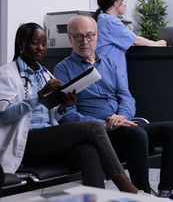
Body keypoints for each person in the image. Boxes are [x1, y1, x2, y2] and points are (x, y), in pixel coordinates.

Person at [54, 16, 173, 199]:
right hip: (97, 132)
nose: (85, 42)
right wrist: (104, 125)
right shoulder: (63, 69)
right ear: (70, 38)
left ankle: (166, 192)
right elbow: (67, 114)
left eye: (90, 36)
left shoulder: (109, 63)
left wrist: (121, 117)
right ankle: (141, 195)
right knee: (136, 134)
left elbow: (126, 97)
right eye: (79, 37)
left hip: (122, 123)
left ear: (97, 36)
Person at [0, 23, 138, 194]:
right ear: (21, 43)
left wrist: (62, 106)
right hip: (25, 140)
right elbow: (4, 115)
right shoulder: (7, 73)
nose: (41, 48)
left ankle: (98, 199)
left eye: (44, 44)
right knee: (93, 127)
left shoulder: (44, 74)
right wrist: (40, 95)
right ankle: (129, 190)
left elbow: (51, 116)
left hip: (47, 137)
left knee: (88, 152)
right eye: (35, 43)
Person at [93, 0, 166, 82]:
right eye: (122, 0)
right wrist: (157, 44)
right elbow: (136, 41)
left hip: (106, 71)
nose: (125, 4)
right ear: (116, 2)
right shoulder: (109, 20)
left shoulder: (104, 19)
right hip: (107, 72)